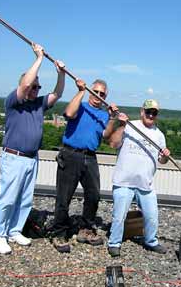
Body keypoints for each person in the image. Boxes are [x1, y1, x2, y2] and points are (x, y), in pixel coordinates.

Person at [0, 43, 66, 255]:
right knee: (7, 198)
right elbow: (24, 86)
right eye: (33, 86)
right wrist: (39, 59)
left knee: (25, 199)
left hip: (32, 158)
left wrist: (60, 73)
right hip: (13, 157)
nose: (35, 90)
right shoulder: (13, 102)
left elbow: (58, 93)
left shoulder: (39, 104)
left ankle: (15, 230)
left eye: (38, 87)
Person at [51, 78, 121, 253]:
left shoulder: (104, 115)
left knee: (93, 195)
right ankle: (59, 232)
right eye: (95, 91)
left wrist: (112, 117)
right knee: (64, 196)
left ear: (106, 96)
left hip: (90, 157)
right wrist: (81, 91)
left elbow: (106, 134)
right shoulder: (81, 106)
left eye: (102, 94)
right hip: (71, 154)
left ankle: (86, 229)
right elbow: (69, 113)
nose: (98, 96)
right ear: (90, 91)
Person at [107, 99, 170, 257]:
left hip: (145, 184)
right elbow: (113, 144)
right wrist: (121, 125)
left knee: (152, 216)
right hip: (124, 182)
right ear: (142, 111)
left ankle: (151, 241)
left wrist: (166, 156)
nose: (150, 115)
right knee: (119, 216)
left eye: (154, 113)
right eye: (148, 111)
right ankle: (114, 243)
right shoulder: (129, 125)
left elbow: (162, 161)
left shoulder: (159, 135)